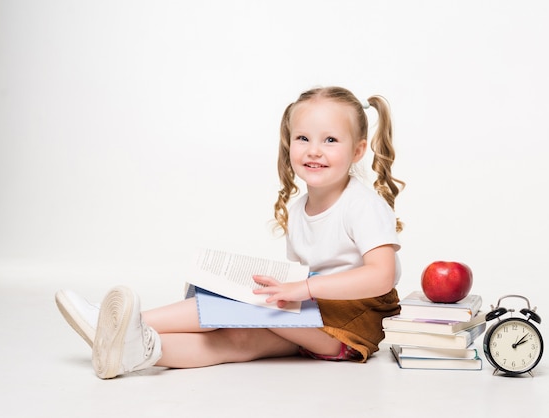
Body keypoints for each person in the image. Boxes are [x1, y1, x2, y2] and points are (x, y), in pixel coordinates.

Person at [55, 86, 405, 379]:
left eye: (330, 139)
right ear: (289, 144)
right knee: (237, 339)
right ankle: (139, 350)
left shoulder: (361, 203)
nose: (314, 150)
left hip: (350, 325)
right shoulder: (300, 210)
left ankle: (116, 321)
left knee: (244, 301)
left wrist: (303, 288)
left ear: (358, 150)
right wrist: (293, 287)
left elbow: (381, 276)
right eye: (303, 138)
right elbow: (302, 278)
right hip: (317, 319)